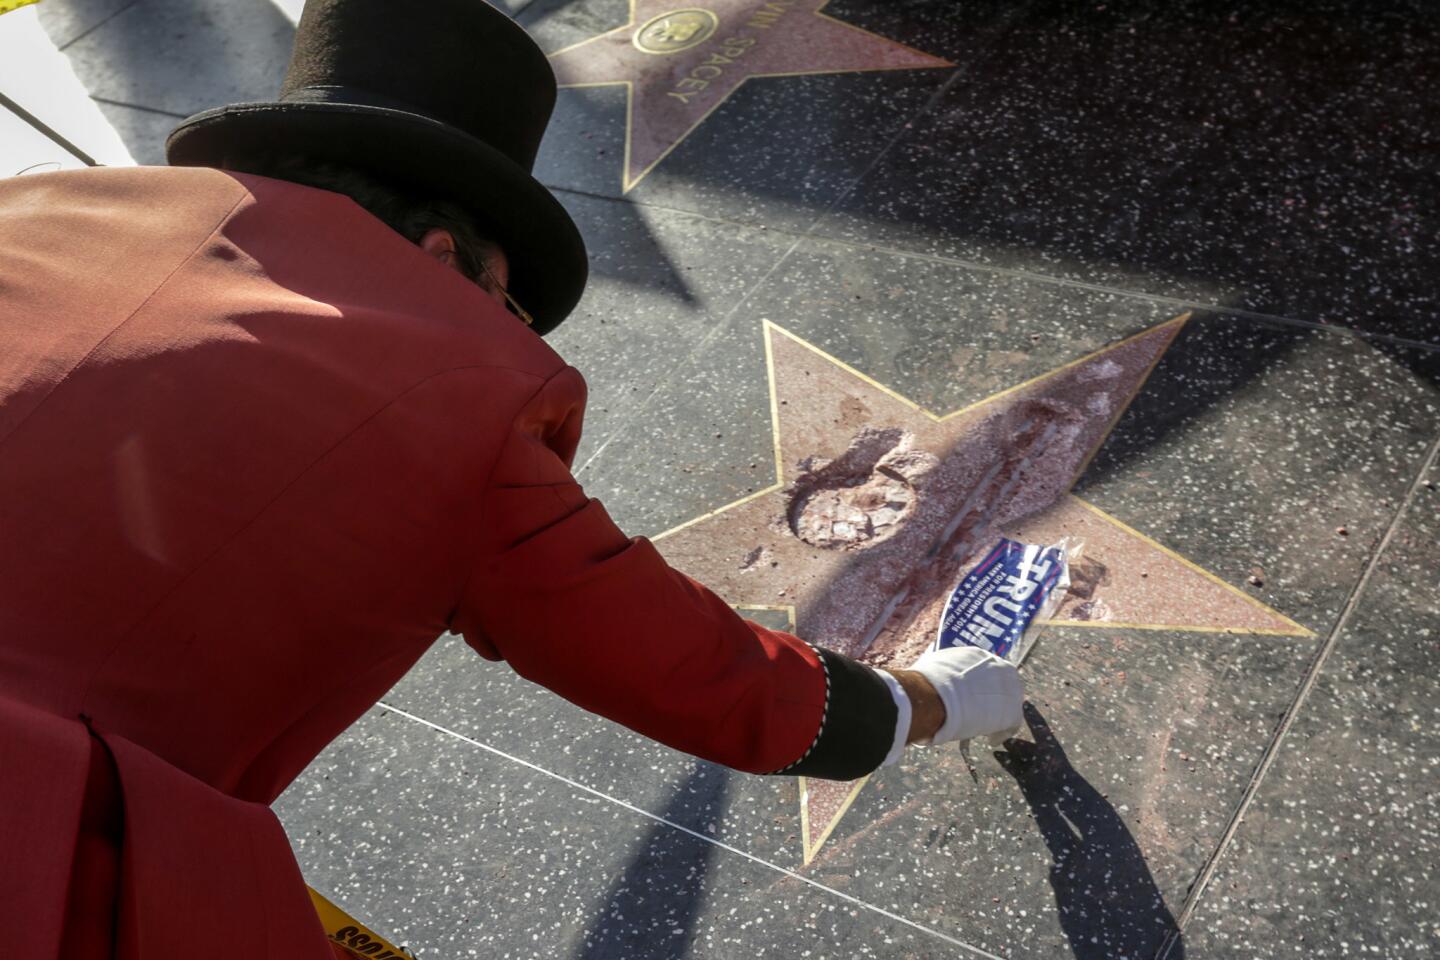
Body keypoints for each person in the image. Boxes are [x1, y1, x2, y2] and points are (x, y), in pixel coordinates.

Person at [0, 1, 1023, 956]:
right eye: (510, 300)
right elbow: (693, 673)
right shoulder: (455, 398)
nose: (510, 330)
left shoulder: (28, 208)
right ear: (446, 255)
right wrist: (927, 701)